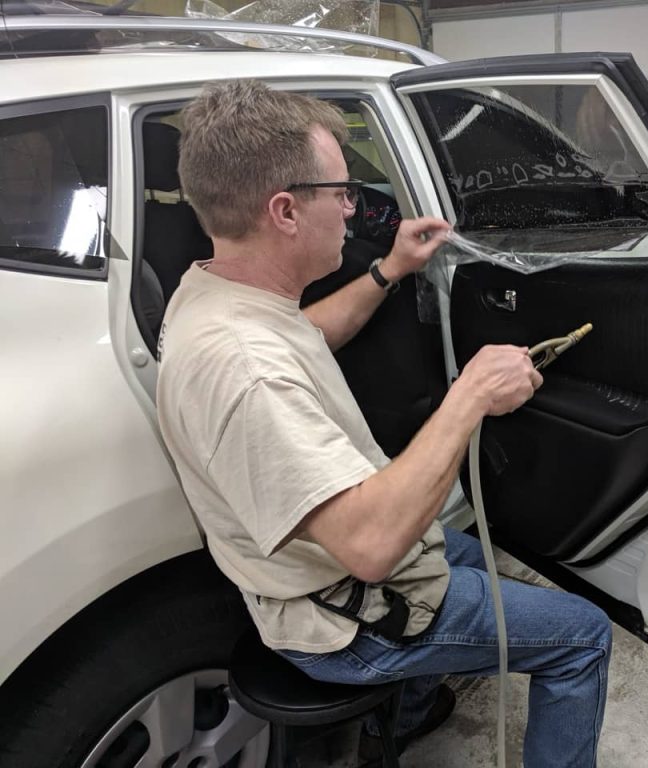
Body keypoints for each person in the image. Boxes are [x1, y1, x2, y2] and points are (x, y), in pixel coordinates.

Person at [157, 80, 612, 767]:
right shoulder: (246, 370)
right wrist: (469, 397)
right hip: (346, 618)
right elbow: (371, 547)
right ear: (285, 210)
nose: (353, 207)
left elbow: (305, 335)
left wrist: (389, 269)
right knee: (581, 636)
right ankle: (409, 691)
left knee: (464, 552)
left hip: (328, 578)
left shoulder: (217, 293)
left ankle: (413, 713)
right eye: (341, 191)